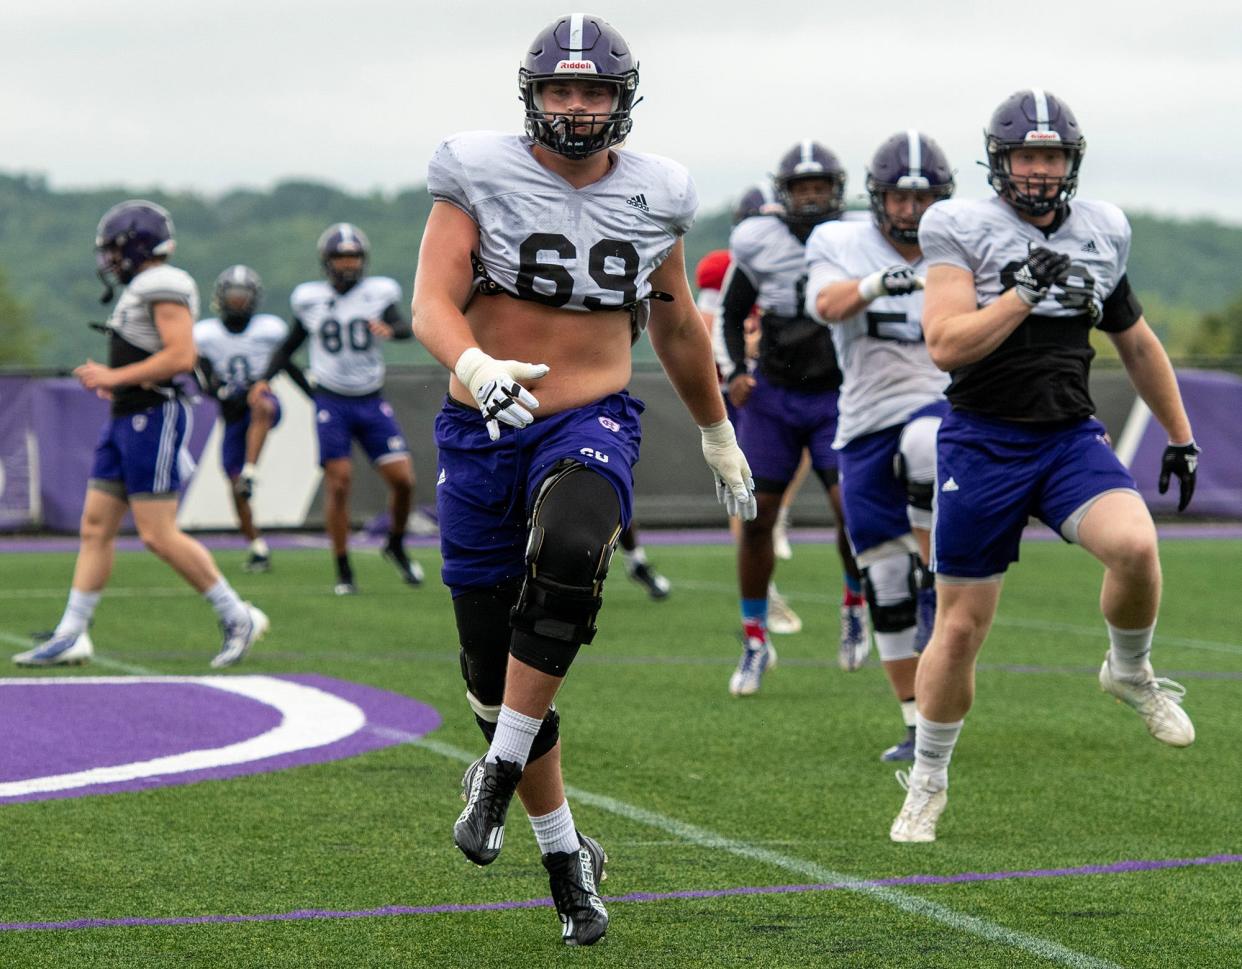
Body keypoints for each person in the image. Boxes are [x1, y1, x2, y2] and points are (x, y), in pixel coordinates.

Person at [411, 13, 755, 946]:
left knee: (570, 548)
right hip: (484, 422)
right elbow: (432, 300)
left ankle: (496, 769)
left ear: (621, 99)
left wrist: (717, 430)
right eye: (561, 89)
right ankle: (566, 855)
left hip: (591, 415)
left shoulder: (658, 192)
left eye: (593, 90)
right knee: (491, 673)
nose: (576, 105)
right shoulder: (476, 170)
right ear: (532, 95)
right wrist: (477, 365)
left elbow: (678, 324)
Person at [890, 90, 1200, 844]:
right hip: (982, 440)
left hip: (1065, 437)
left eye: (1053, 156)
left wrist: (1181, 435)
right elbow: (947, 344)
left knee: (1135, 545)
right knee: (960, 628)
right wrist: (1022, 294)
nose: (1040, 169)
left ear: (1072, 162)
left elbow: (1135, 341)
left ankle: (1129, 669)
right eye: (1027, 155)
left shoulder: (1102, 231)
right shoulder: (960, 227)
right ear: (1000, 163)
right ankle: (928, 777)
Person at [13, 201, 267, 669]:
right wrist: (122, 384)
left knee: (157, 533)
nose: (108, 259)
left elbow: (180, 356)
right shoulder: (142, 287)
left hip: (153, 415)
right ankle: (72, 633)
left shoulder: (160, 283)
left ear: (136, 246)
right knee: (95, 526)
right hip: (129, 415)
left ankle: (237, 615)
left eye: (114, 249)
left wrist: (113, 378)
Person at [805, 131, 955, 760]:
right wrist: (878, 283)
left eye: (923, 197)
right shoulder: (839, 240)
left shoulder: (963, 241)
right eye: (900, 196)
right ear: (878, 197)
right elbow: (824, 305)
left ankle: (937, 573)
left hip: (942, 406)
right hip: (864, 421)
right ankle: (915, 721)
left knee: (925, 443)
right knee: (882, 582)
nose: (912, 209)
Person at [720, 142, 867, 696]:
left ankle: (855, 603)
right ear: (784, 193)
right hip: (776, 396)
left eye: (819, 187)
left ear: (837, 189)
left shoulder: (858, 235)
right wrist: (736, 368)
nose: (810, 197)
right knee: (757, 520)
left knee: (852, 511)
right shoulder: (759, 241)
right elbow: (733, 313)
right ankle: (756, 636)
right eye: (801, 188)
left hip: (840, 396)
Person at [251, 224, 422, 595]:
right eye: (341, 257)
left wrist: (391, 331)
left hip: (371, 399)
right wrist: (265, 378)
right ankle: (344, 568)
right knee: (339, 482)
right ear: (326, 262)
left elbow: (403, 326)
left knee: (404, 480)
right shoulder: (309, 299)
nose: (348, 265)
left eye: (354, 257)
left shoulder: (378, 292)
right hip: (332, 400)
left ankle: (394, 543)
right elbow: (289, 345)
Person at [695, 238, 801, 635]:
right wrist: (745, 354)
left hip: (762, 395)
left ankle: (780, 521)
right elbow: (707, 336)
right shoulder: (722, 275)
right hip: (728, 400)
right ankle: (765, 590)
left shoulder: (781, 279)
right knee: (743, 490)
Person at [194, 265, 311, 572]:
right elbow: (203, 379)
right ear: (221, 298)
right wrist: (220, 392)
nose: (238, 304)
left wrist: (314, 397)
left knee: (261, 402)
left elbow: (286, 363)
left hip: (262, 400)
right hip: (231, 412)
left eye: (242, 297)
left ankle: (251, 470)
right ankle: (257, 547)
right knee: (232, 485)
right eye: (233, 297)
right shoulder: (206, 335)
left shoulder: (268, 330)